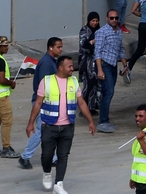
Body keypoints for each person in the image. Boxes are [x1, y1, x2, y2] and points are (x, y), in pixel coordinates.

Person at [26, 56, 96, 194]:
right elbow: (38, 103)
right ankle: (47, 173)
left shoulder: (74, 81)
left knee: (63, 156)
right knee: (46, 155)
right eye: (69, 66)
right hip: (49, 126)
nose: (72, 68)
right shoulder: (46, 81)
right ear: (61, 67)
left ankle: (58, 184)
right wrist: (31, 123)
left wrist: (91, 121)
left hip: (68, 126)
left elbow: (81, 103)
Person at [19, 37, 63, 169]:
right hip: (43, 103)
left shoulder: (51, 61)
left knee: (50, 131)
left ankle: (53, 158)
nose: (61, 49)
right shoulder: (46, 63)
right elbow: (43, 86)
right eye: (58, 47)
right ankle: (25, 156)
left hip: (48, 102)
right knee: (40, 131)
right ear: (51, 47)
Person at [94, 9, 129, 133]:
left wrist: (125, 65)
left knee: (109, 92)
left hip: (113, 65)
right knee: (108, 92)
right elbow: (97, 52)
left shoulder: (119, 32)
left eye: (116, 18)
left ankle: (105, 120)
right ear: (107, 18)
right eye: (112, 18)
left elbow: (121, 50)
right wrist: (99, 70)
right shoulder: (101, 32)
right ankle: (102, 122)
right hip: (104, 65)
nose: (114, 20)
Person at [78, 12, 101, 113]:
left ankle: (93, 105)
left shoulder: (100, 30)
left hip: (97, 61)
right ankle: (85, 108)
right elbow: (83, 45)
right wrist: (92, 42)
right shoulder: (84, 30)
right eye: (93, 21)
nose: (95, 23)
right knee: (88, 85)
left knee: (96, 84)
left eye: (96, 21)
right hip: (86, 62)